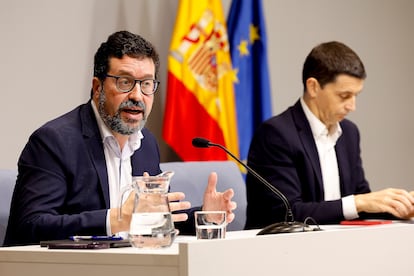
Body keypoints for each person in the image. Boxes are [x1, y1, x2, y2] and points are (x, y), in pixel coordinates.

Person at [4, 31, 236, 246]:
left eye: (146, 84)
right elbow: (30, 226)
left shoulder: (146, 144)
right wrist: (114, 219)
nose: (137, 96)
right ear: (97, 88)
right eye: (125, 82)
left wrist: (205, 215)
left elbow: (151, 220)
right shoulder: (54, 142)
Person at [245, 41, 414, 229]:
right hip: (279, 251)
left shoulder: (349, 133)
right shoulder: (276, 134)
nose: (352, 106)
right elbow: (287, 213)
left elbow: (361, 203)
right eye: (344, 96)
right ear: (313, 87)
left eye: (356, 95)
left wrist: (397, 206)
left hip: (337, 246)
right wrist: (358, 202)